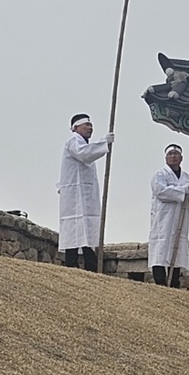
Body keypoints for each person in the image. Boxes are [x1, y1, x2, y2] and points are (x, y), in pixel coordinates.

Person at [57, 113, 113, 272]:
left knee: (85, 228)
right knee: (75, 228)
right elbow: (84, 154)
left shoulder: (82, 143)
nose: (90, 128)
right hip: (75, 195)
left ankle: (88, 265)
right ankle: (75, 263)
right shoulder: (74, 140)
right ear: (76, 128)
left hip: (85, 195)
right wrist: (103, 143)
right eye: (86, 125)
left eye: (91, 125)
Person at [149, 144, 189, 287]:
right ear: (166, 158)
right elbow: (161, 192)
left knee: (176, 250)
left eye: (176, 154)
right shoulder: (160, 175)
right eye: (170, 154)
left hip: (179, 219)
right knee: (160, 249)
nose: (173, 156)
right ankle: (160, 281)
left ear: (181, 157)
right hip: (163, 219)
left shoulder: (186, 177)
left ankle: (174, 282)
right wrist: (184, 190)